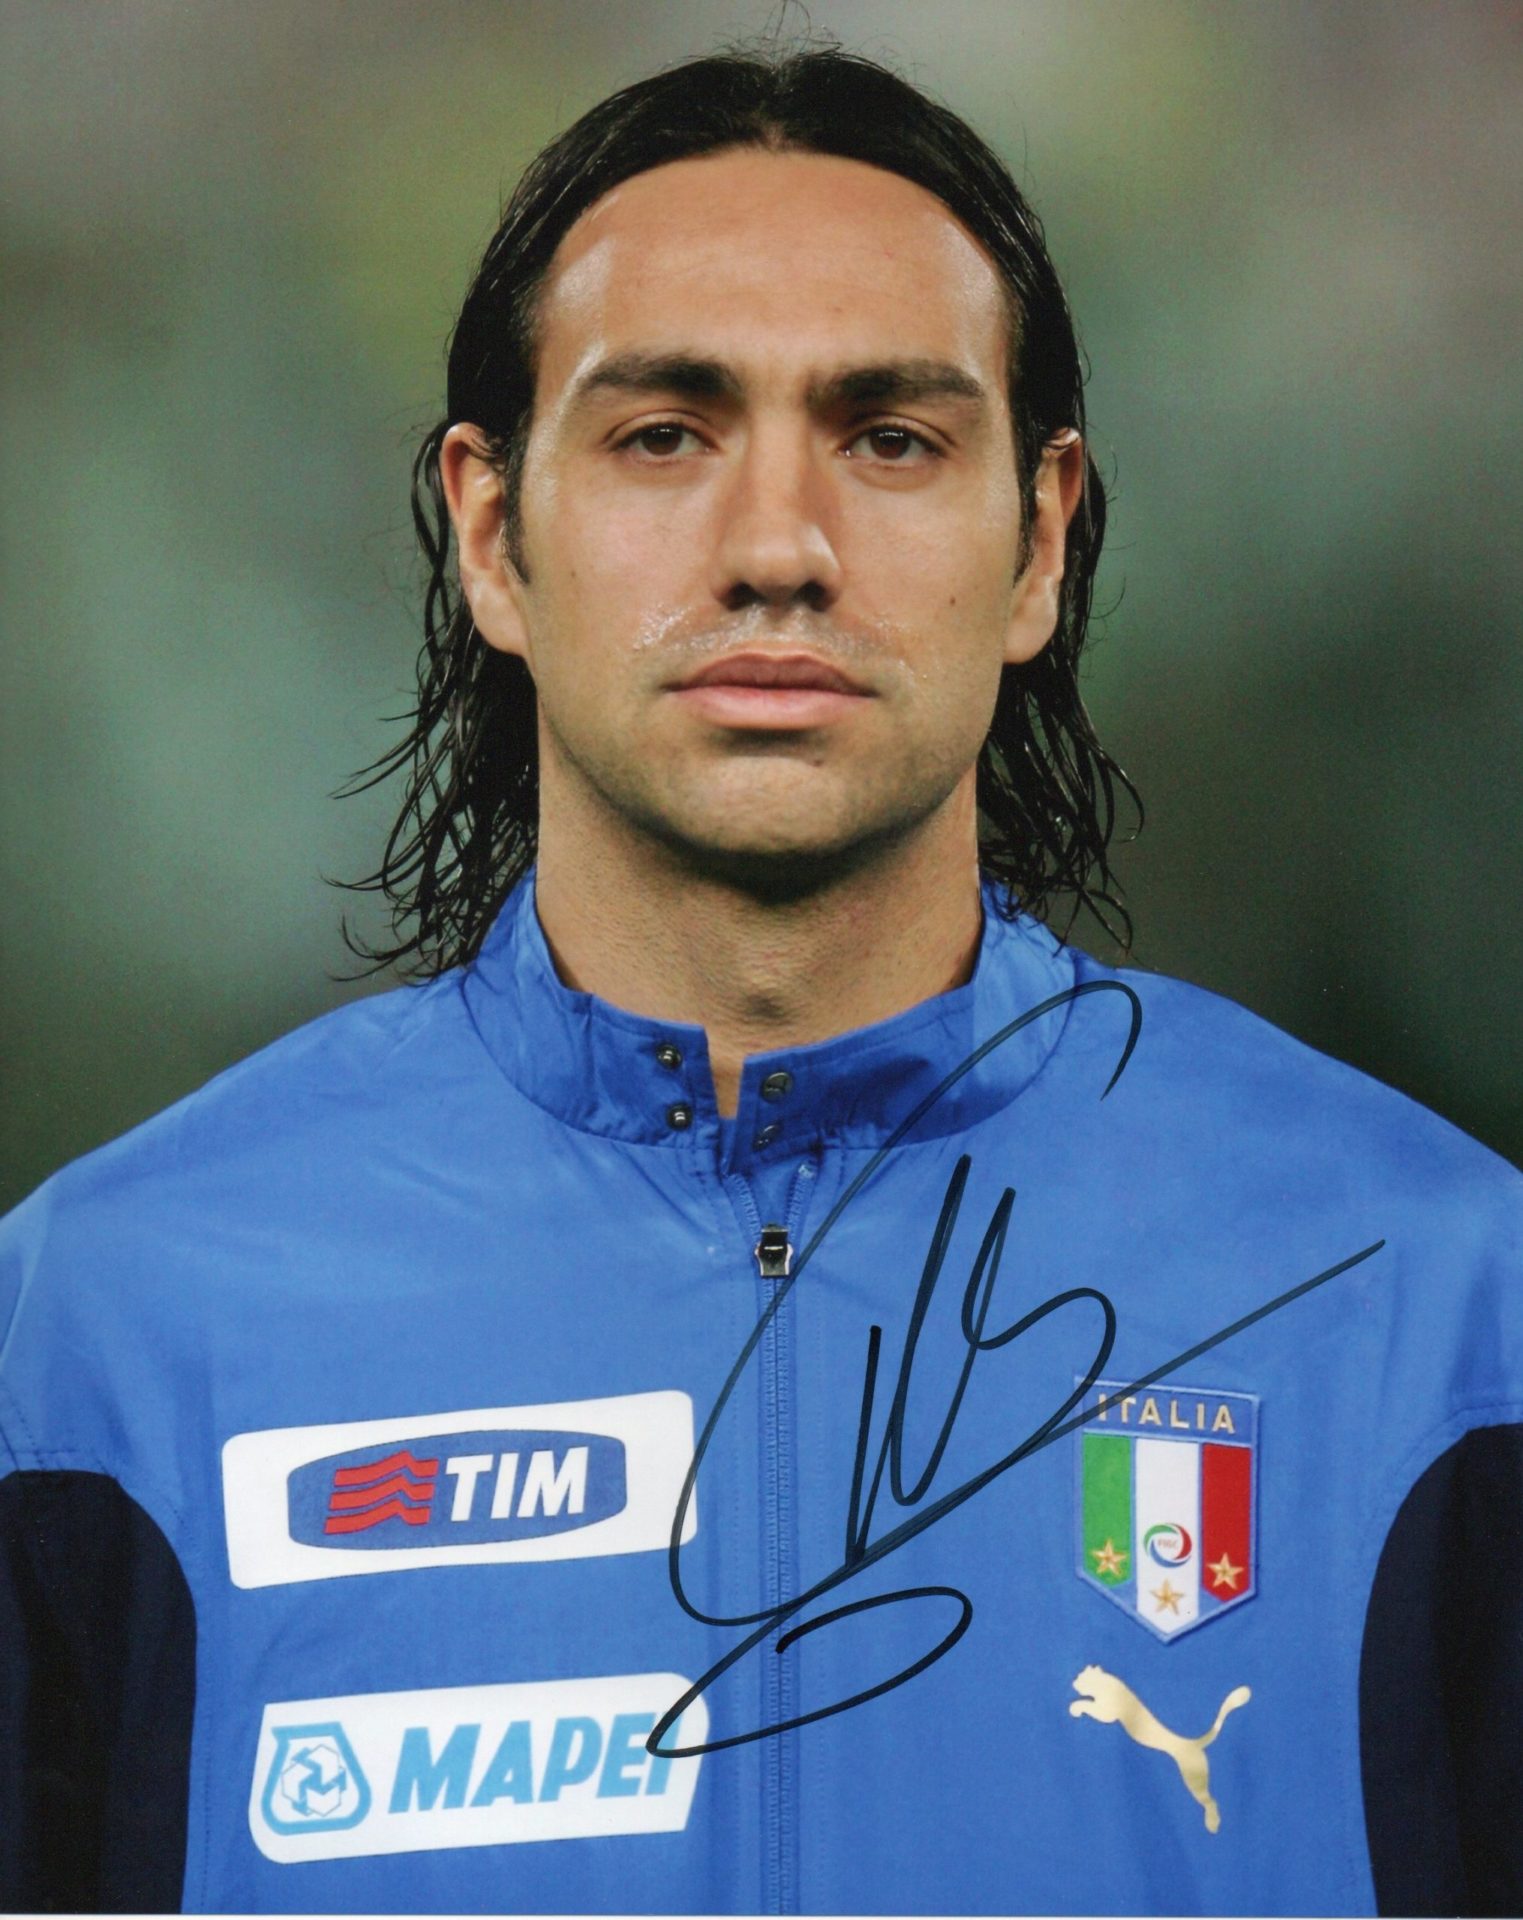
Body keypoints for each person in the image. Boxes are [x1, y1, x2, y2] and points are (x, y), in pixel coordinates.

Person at [0, 44, 1518, 1918]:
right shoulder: (102, 1340)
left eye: (891, 438)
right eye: (664, 434)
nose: (780, 549)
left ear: (1040, 541)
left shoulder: (1437, 1303)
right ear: (492, 534)